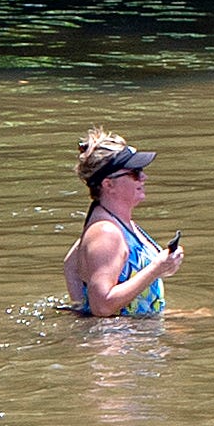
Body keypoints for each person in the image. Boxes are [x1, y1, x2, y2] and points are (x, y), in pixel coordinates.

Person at [63, 131, 181, 319]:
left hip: (133, 333)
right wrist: (156, 268)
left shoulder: (115, 222)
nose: (143, 177)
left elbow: (70, 266)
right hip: (120, 343)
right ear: (108, 185)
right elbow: (102, 306)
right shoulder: (106, 232)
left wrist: (80, 307)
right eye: (134, 173)